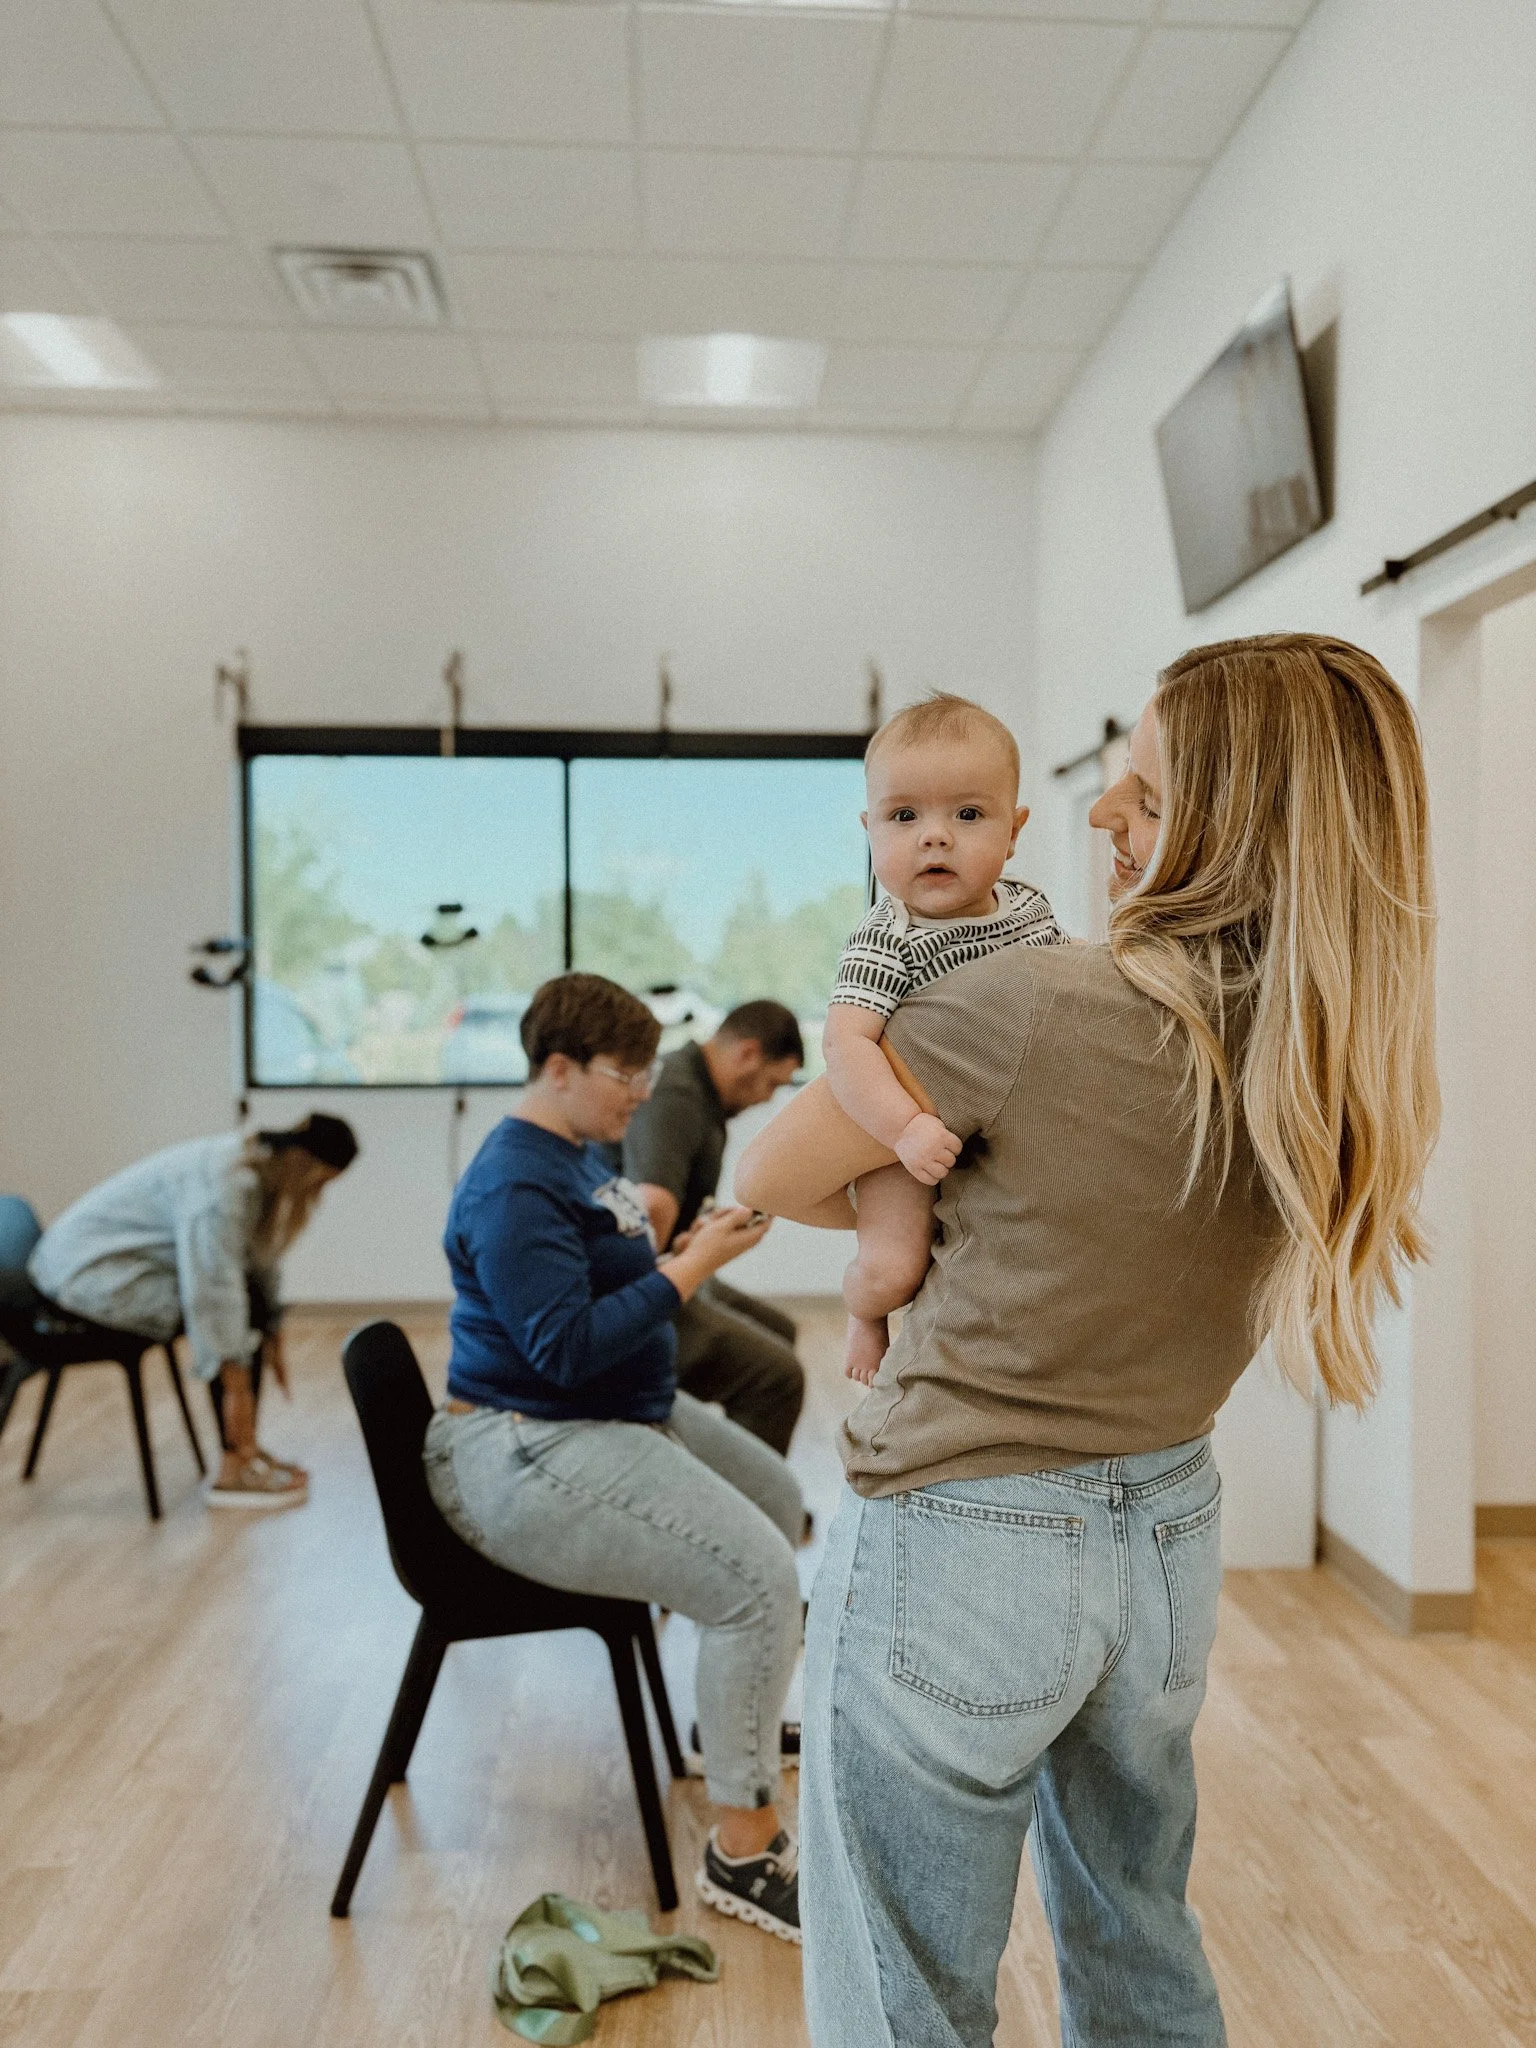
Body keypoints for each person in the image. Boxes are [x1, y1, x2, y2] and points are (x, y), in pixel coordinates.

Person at [736, 634, 1439, 2045]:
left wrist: (910, 1214)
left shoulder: (1021, 1003)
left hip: (963, 1537)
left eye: (1147, 793)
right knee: (1136, 1933)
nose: (1105, 816)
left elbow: (768, 1175)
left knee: (905, 1989)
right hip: (1167, 1537)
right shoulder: (1312, 1042)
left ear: (1229, 830)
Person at [424, 972, 807, 1943]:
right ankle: (744, 1845)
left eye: (645, 1069)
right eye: (624, 1073)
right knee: (757, 1578)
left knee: (779, 1494)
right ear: (559, 1069)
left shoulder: (580, 1154)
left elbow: (616, 1268)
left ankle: (735, 1724)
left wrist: (691, 1241)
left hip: (603, 1413)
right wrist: (693, 1266)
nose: (643, 1090)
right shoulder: (516, 1179)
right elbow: (564, 1347)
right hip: (531, 1443)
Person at [823, 694, 1063, 1385]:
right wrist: (902, 1130)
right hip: (906, 1138)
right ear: (869, 830)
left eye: (967, 814)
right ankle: (862, 1309)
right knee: (895, 1267)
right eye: (904, 816)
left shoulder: (1029, 909)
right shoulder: (886, 934)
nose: (935, 836)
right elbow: (846, 1045)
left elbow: (1063, 982)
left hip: (1001, 1124)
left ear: (1013, 830)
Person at [28, 1113, 359, 1510]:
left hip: (117, 1267)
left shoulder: (257, 1164)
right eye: (320, 1184)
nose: (318, 1195)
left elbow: (257, 1260)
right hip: (83, 1275)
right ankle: (234, 1467)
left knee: (244, 1310)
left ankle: (243, 1451)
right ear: (304, 1167)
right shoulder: (227, 1186)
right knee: (228, 1316)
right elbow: (213, 1293)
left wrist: (274, 1327)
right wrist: (236, 1386)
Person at [621, 1000, 807, 1455]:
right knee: (778, 1376)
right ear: (746, 1053)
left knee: (780, 1330)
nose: (767, 1097)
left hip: (664, 1261)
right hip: (635, 1284)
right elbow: (654, 1204)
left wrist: (697, 1236)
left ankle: (746, 1478)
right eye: (772, 1082)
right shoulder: (679, 1094)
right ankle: (752, 1512)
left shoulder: (697, 1089)